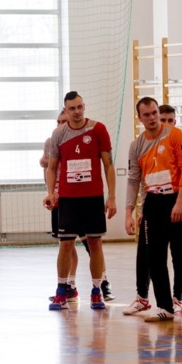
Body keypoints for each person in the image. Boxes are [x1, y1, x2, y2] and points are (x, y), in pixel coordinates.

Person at [125, 97, 182, 322]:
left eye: (155, 112)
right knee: (155, 256)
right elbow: (134, 180)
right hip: (154, 202)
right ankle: (164, 306)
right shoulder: (136, 146)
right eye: (147, 114)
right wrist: (129, 212)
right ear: (140, 118)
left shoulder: (176, 136)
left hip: (178, 198)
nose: (153, 118)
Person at [43, 91, 117, 311]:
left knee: (95, 243)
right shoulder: (58, 134)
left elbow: (108, 165)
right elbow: (51, 167)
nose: (76, 112)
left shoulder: (98, 129)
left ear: (84, 107)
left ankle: (96, 291)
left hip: (93, 197)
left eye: (79, 107)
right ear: (65, 110)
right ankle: (61, 291)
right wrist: (50, 192)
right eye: (71, 108)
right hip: (68, 199)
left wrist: (112, 197)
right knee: (65, 244)